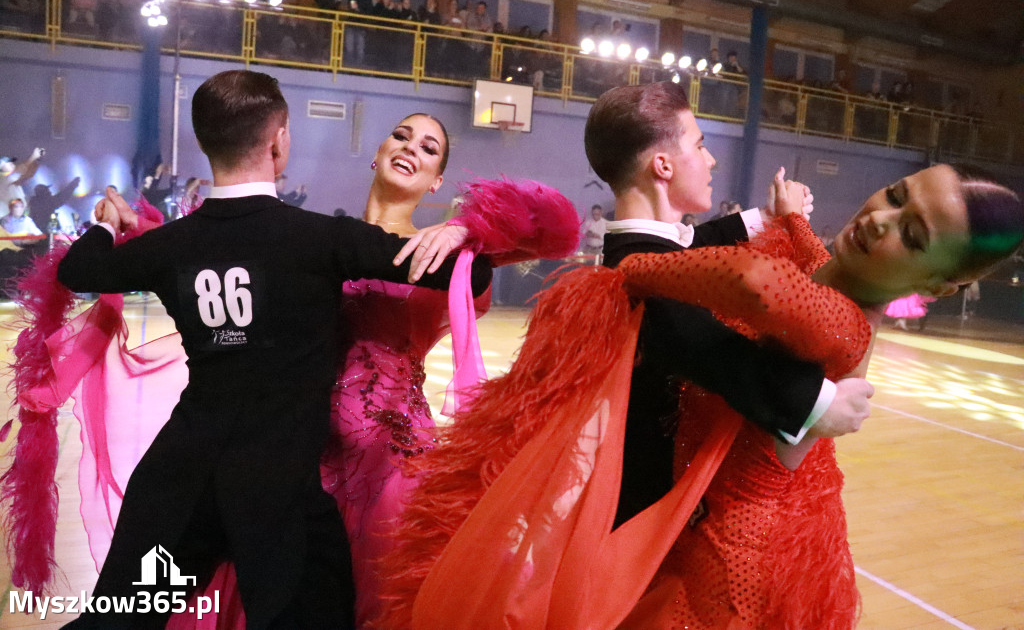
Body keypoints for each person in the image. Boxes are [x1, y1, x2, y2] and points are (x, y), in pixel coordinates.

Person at [377, 160, 1023, 629]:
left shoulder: (841, 322)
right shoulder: (830, 270)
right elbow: (809, 255)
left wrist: (634, 267)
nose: (878, 220)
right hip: (688, 501)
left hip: (724, 547)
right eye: (896, 194)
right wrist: (790, 217)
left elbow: (754, 281)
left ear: (937, 287)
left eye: (912, 235)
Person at [374, 81, 875, 627]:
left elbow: (690, 245)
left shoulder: (640, 249)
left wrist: (763, 217)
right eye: (700, 144)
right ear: (663, 165)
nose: (710, 159)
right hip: (644, 533)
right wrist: (816, 402)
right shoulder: (641, 273)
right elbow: (693, 336)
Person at [11, 69, 492, 629]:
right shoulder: (324, 239)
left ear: (205, 144)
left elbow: (80, 269)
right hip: (281, 494)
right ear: (279, 141)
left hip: (180, 481)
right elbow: (472, 272)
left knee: (119, 619)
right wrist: (462, 231)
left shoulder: (172, 245)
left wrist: (109, 223)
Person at [0, 146, 43, 218]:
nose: (12, 164)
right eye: (8, 163)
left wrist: (35, 160)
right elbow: (21, 171)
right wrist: (33, 157)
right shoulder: (5, 179)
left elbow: (26, 174)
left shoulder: (13, 182)